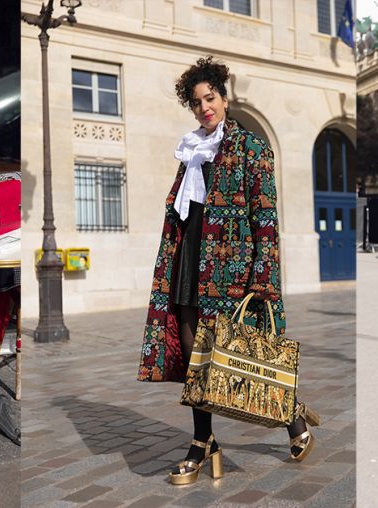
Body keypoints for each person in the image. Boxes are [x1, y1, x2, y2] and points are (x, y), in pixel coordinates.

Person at [136, 56, 319, 486]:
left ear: (225, 96)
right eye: (197, 102)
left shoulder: (252, 149)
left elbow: (267, 220)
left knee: (243, 354)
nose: (205, 108)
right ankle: (204, 442)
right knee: (194, 355)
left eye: (210, 97)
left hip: (232, 271)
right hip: (188, 263)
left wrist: (264, 278)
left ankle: (292, 416)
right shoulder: (191, 153)